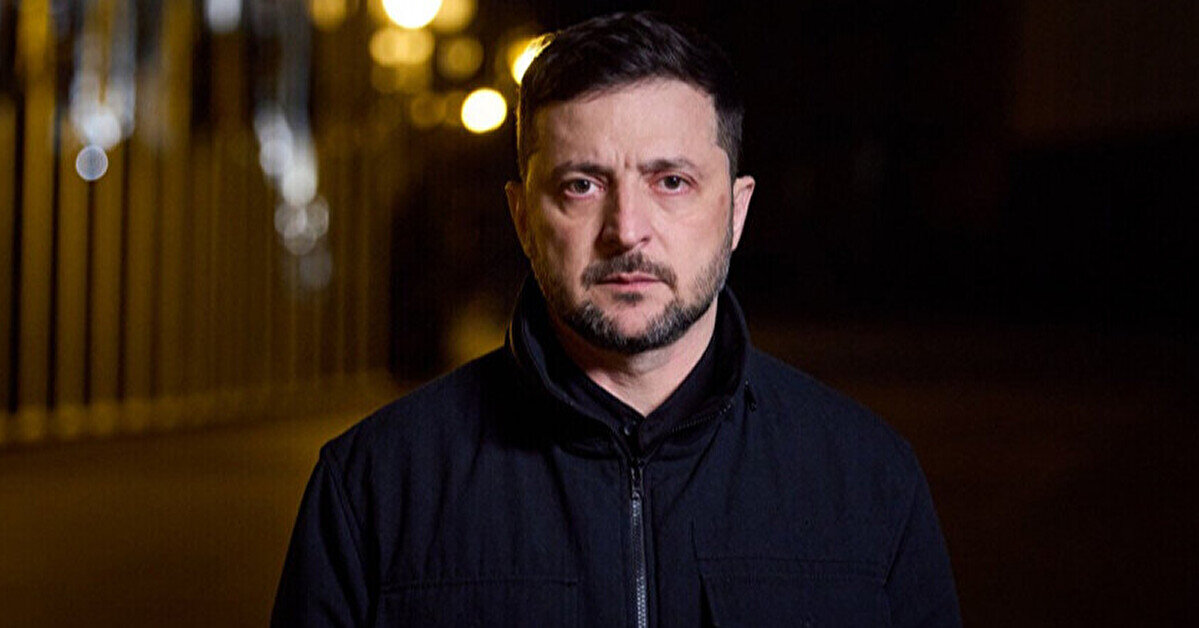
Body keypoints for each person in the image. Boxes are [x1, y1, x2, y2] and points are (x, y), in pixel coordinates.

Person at [272, 12, 960, 627]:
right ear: (522, 217)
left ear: (736, 210)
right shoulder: (376, 486)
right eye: (582, 185)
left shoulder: (866, 479)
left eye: (671, 182)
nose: (627, 229)